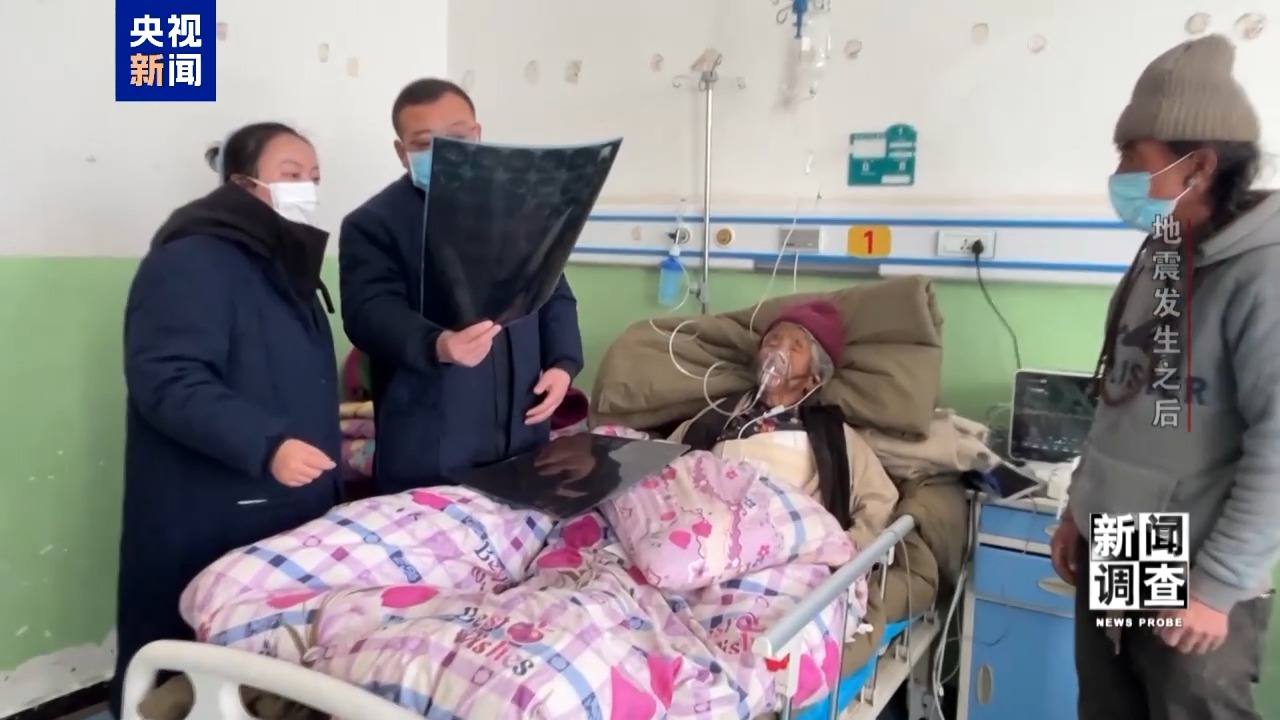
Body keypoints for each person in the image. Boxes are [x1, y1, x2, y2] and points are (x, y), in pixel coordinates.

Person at [1048, 35, 1278, 720]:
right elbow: (1122, 398)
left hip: (1200, 558)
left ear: (1198, 166)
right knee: (1110, 706)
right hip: (1131, 541)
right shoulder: (1164, 253)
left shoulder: (1264, 274)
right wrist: (1082, 508)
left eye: (1132, 156)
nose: (1119, 174)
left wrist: (1217, 585)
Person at [112, 123, 342, 716]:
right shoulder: (192, 260)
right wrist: (268, 443)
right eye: (290, 175)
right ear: (242, 184)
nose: (307, 188)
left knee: (252, 674)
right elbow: (168, 378)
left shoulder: (282, 265)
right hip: (212, 505)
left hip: (280, 501)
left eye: (314, 177)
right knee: (182, 672)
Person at [339, 78, 583, 494]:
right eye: (424, 143)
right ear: (401, 152)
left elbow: (553, 291)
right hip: (429, 436)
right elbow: (369, 311)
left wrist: (563, 364)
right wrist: (437, 344)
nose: (445, 153)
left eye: (456, 138)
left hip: (523, 423)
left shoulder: (518, 210)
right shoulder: (374, 223)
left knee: (521, 515)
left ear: (477, 135)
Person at [670, 299, 899, 550]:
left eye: (795, 348)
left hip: (783, 548)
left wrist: (847, 547)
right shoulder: (718, 415)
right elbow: (664, 463)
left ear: (813, 379)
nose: (777, 353)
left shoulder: (833, 435)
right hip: (705, 538)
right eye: (772, 342)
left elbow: (880, 498)